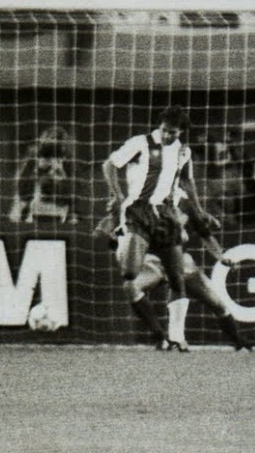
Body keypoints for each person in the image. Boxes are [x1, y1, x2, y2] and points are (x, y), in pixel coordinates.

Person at [101, 106, 215, 350]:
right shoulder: (140, 143)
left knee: (177, 278)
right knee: (130, 276)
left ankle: (177, 337)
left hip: (165, 215)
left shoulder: (183, 152)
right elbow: (109, 164)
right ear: (159, 127)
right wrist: (117, 195)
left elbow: (187, 181)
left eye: (172, 132)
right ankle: (158, 333)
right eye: (164, 130)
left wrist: (199, 210)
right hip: (137, 211)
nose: (166, 135)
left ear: (181, 132)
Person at [94, 194, 253, 352]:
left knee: (217, 304)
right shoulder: (139, 205)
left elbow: (205, 234)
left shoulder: (185, 206)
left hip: (182, 263)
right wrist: (115, 234)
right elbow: (109, 237)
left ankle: (238, 341)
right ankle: (161, 338)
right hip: (153, 263)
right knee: (131, 287)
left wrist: (221, 257)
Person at [7, 126, 76, 224]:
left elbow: (73, 190)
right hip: (34, 205)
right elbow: (22, 188)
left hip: (56, 207)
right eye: (52, 139)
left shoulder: (66, 161)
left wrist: (58, 177)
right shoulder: (33, 158)